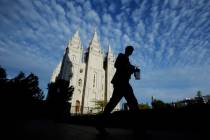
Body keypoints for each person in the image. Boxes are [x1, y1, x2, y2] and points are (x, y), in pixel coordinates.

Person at [96, 46, 139, 134]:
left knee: (114, 104)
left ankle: (100, 124)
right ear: (127, 50)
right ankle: (138, 129)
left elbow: (129, 70)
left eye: (132, 51)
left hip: (124, 83)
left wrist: (133, 70)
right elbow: (116, 65)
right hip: (121, 83)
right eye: (130, 50)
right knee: (132, 103)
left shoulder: (128, 61)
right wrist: (130, 68)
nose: (131, 52)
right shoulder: (121, 56)